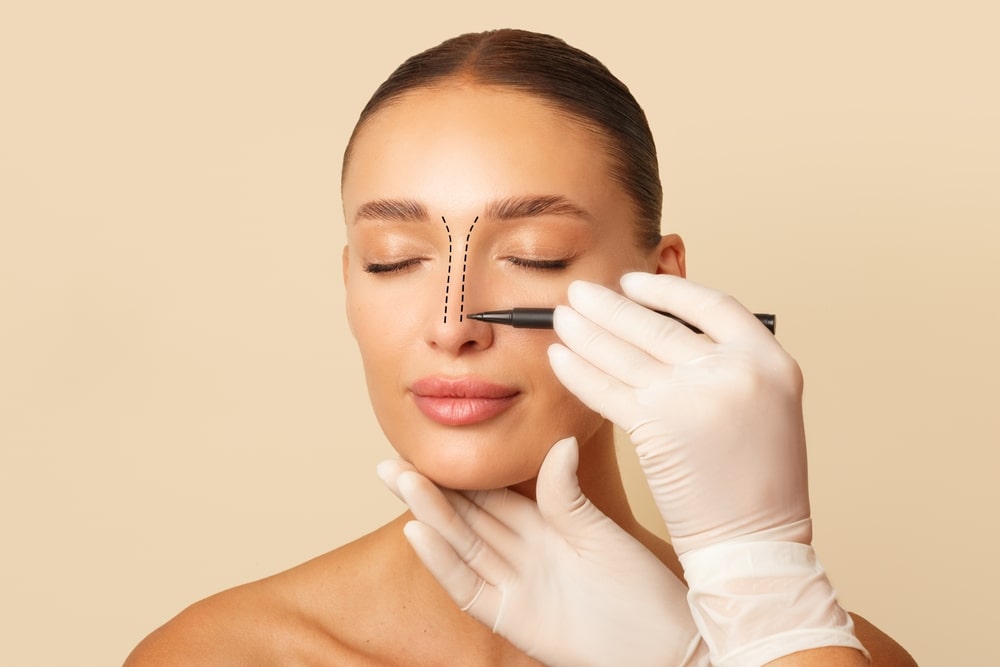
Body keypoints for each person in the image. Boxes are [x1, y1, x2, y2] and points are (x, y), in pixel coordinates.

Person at [125, 29, 915, 666]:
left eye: (537, 253)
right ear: (348, 284)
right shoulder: (217, 655)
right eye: (392, 259)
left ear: (662, 283)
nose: (451, 323)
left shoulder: (821, 651)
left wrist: (743, 615)